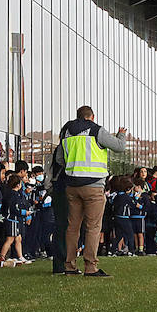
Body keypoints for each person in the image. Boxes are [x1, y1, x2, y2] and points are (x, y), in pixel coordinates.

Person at [54, 107, 127, 276]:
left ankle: (70, 266)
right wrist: (121, 133)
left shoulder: (66, 131)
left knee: (72, 227)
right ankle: (90, 266)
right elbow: (120, 147)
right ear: (92, 117)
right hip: (93, 185)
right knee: (93, 227)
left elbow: (59, 158)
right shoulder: (96, 130)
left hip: (72, 185)